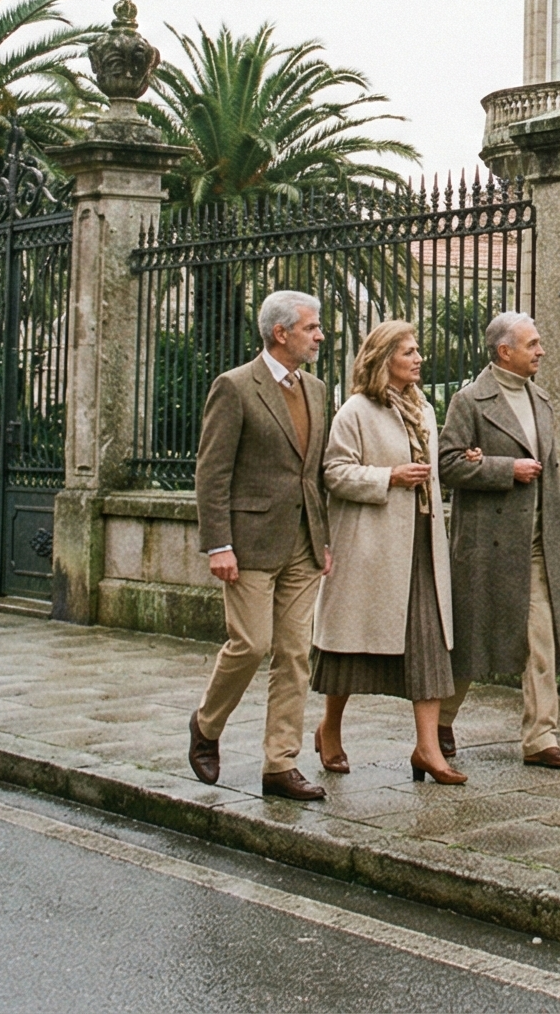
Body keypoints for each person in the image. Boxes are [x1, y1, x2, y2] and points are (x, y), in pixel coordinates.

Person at [188, 289, 334, 801]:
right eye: (312, 328)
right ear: (281, 333)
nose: (320, 335)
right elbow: (212, 472)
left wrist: (325, 539)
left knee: (295, 653)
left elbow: (314, 473)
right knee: (251, 643)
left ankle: (280, 764)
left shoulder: (316, 389)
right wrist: (218, 545)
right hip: (247, 542)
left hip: (303, 542)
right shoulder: (234, 387)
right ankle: (206, 725)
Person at [309, 319, 463, 785]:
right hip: (373, 549)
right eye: (409, 352)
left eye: (417, 351)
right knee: (349, 651)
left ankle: (427, 750)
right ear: (384, 359)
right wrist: (388, 477)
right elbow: (333, 472)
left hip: (422, 545)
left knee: (429, 647)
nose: (419, 359)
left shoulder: (424, 409)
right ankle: (329, 729)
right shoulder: (355, 411)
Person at [436, 312, 560, 769]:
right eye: (533, 344)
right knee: (472, 641)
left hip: (538, 543)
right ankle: (439, 722)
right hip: (488, 544)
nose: (541, 351)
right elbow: (447, 465)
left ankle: (541, 738)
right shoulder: (470, 400)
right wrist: (504, 469)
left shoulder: (541, 398)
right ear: (505, 352)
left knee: (542, 642)